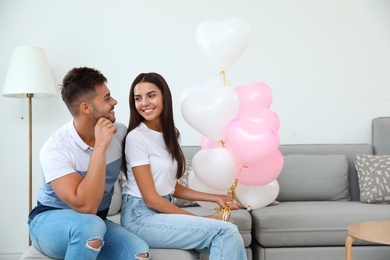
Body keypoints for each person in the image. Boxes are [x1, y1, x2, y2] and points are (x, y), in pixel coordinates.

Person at [121, 72, 247, 259]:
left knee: (230, 232)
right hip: (140, 217)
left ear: (164, 96)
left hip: (162, 210)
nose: (144, 103)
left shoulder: (172, 135)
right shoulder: (136, 138)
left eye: (151, 95)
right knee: (224, 231)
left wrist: (216, 197)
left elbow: (171, 187)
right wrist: (199, 219)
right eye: (138, 98)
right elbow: (152, 199)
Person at [28, 67, 150, 260]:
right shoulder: (55, 149)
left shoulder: (119, 134)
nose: (114, 102)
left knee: (139, 252)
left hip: (95, 223)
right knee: (90, 226)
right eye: (107, 98)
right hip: (50, 222)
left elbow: (147, 173)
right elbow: (87, 207)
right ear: (86, 108)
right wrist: (100, 146)